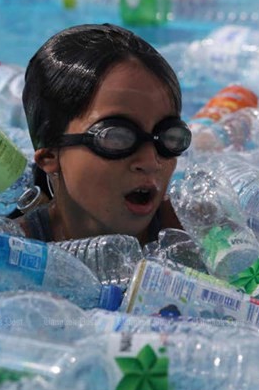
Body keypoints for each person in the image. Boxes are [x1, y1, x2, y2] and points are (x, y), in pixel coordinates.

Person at [15, 23, 191, 245]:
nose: (150, 162)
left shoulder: (201, 236)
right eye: (117, 137)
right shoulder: (8, 252)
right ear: (50, 155)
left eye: (168, 137)